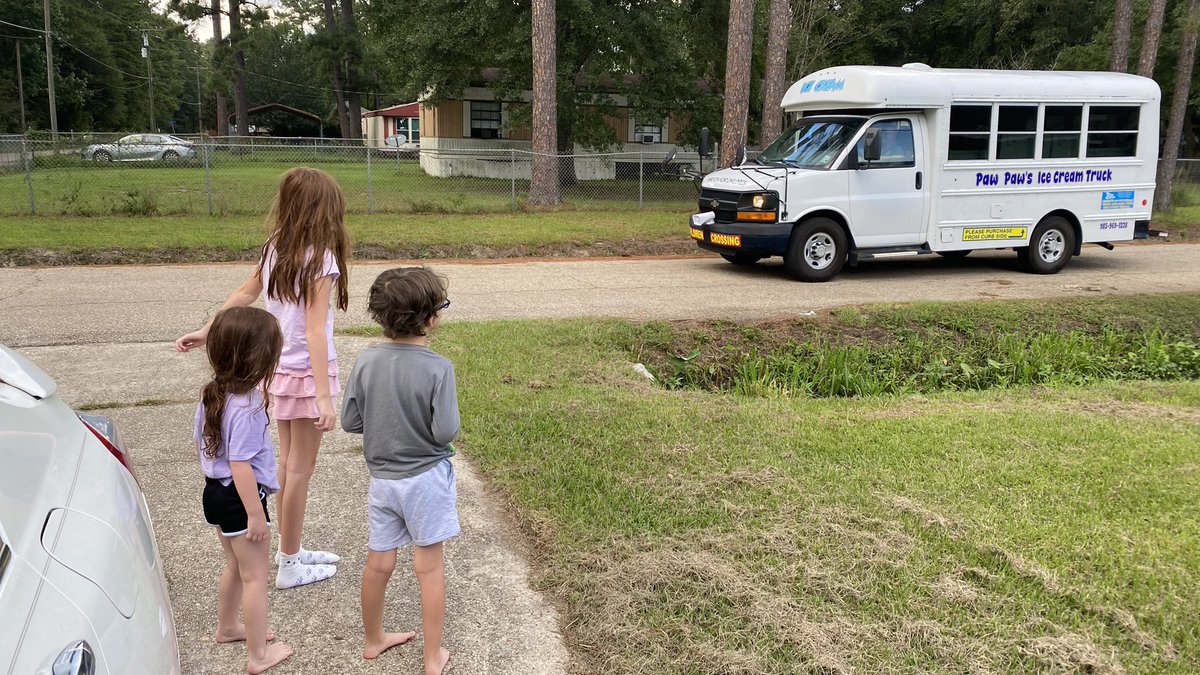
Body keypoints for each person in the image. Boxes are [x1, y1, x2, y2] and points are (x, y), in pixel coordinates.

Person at [178, 167, 350, 589]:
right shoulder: (321, 258)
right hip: (307, 375)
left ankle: (290, 547)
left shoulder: (276, 247)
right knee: (299, 471)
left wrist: (207, 328)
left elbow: (243, 296)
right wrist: (324, 398)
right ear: (322, 210)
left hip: (277, 371)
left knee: (292, 467)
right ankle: (290, 562)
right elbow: (313, 329)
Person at [342, 267, 459, 674]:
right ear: (430, 318)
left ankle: (373, 640)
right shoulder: (438, 368)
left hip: (383, 482)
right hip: (425, 479)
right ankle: (432, 657)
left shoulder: (366, 361)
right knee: (429, 568)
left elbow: (350, 422)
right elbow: (446, 430)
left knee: (379, 563)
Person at [196, 306, 293, 674]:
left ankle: (227, 628)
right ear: (261, 358)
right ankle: (258, 657)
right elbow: (241, 466)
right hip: (241, 500)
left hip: (215, 494)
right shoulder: (249, 406)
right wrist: (256, 515)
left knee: (235, 566)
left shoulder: (212, 393)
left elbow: (204, 446)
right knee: (256, 577)